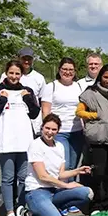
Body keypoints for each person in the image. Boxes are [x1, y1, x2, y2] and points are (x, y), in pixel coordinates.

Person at [14, 114, 93, 216]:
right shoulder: (35, 145)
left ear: (58, 131)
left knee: (87, 193)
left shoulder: (59, 146)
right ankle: (28, 215)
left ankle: (53, 210)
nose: (50, 132)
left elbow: (60, 174)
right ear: (42, 128)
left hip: (54, 191)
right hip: (37, 192)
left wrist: (77, 171)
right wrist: (66, 185)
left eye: (54, 129)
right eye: (47, 128)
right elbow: (43, 176)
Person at [0, 60, 40, 216]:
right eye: (11, 73)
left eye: (17, 73)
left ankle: (21, 208)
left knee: (23, 178)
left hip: (25, 142)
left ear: (21, 75)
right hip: (6, 142)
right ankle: (9, 211)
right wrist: (2, 101)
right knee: (8, 179)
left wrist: (29, 99)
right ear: (6, 73)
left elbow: (35, 113)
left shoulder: (27, 91)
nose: (14, 76)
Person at [77, 63, 108, 211]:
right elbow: (79, 111)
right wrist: (94, 115)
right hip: (98, 137)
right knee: (98, 172)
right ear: (100, 76)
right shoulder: (91, 92)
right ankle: (97, 203)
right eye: (105, 77)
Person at [41, 57, 85, 185]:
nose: (68, 72)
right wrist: (48, 131)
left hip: (77, 131)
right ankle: (60, 191)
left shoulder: (79, 86)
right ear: (59, 70)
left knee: (73, 166)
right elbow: (46, 110)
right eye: (64, 69)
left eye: (71, 69)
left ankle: (70, 195)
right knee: (63, 166)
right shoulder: (52, 87)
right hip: (59, 132)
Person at [0, 47, 46, 136]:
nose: (26, 62)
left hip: (33, 124)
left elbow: (42, 103)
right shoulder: (5, 76)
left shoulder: (39, 78)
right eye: (24, 59)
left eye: (29, 59)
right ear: (18, 58)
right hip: (10, 124)